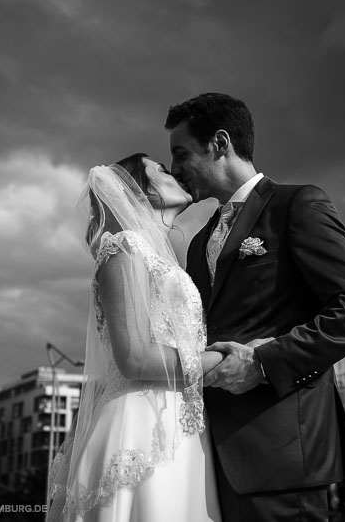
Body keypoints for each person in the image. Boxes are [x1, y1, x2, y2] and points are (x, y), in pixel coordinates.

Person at [166, 93, 345, 522]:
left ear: (220, 142)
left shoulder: (297, 205)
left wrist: (264, 363)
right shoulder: (197, 244)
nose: (175, 170)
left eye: (181, 153)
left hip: (282, 452)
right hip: (209, 460)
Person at [47, 153, 224, 522]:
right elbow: (134, 357)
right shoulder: (125, 248)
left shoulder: (165, 258)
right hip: (140, 427)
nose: (174, 172)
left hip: (178, 423)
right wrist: (222, 361)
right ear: (137, 190)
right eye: (160, 168)